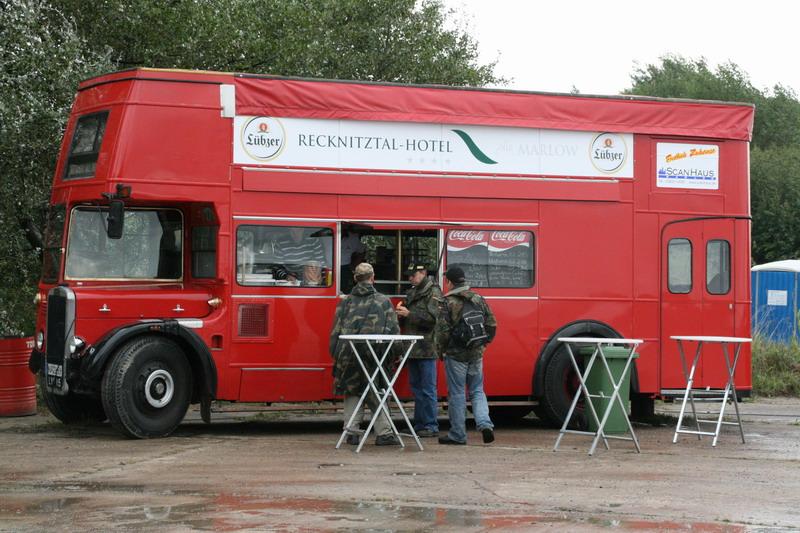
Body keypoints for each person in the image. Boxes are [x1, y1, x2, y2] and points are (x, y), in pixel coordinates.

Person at [329, 262, 401, 446]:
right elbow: (394, 331)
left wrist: (336, 354)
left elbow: (335, 331)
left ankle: (351, 431)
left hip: (348, 353)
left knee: (351, 390)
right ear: (373, 278)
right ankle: (384, 433)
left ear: (355, 278)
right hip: (375, 355)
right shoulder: (383, 301)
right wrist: (396, 354)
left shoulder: (345, 301)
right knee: (376, 390)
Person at [436, 266, 497, 445]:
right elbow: (492, 324)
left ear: (449, 282)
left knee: (457, 393)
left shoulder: (447, 302)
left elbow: (442, 332)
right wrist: (483, 344)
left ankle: (458, 434)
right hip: (476, 353)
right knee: (477, 390)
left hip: (456, 355)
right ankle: (485, 424)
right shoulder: (478, 298)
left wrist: (442, 351)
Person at [395, 263, 446, 437]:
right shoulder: (412, 292)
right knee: (416, 388)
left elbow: (433, 320)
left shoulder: (434, 292)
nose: (410, 278)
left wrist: (409, 314)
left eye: (413, 275)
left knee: (428, 389)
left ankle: (431, 425)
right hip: (412, 347)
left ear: (423, 273)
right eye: (408, 275)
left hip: (427, 348)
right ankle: (419, 425)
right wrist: (401, 315)